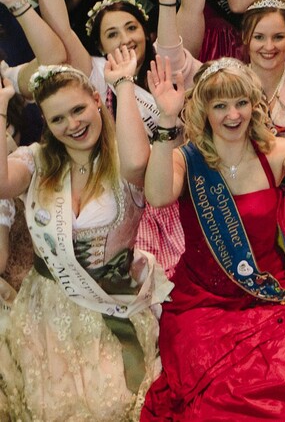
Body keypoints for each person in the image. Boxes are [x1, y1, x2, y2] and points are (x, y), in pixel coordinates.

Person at [138, 53, 285, 419]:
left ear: (253, 105)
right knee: (221, 395)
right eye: (220, 105)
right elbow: (158, 196)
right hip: (203, 304)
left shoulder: (275, 152)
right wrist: (165, 119)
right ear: (204, 111)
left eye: (241, 102)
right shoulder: (185, 159)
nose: (233, 115)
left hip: (267, 292)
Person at [0, 56, 168, 422]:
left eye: (78, 110)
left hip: (111, 300)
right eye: (58, 119)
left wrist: (122, 84)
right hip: (46, 309)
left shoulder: (123, 158)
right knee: (48, 407)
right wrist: (0, 112)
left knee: (111, 404)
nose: (72, 125)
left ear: (96, 99)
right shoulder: (37, 160)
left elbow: (138, 164)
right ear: (46, 124)